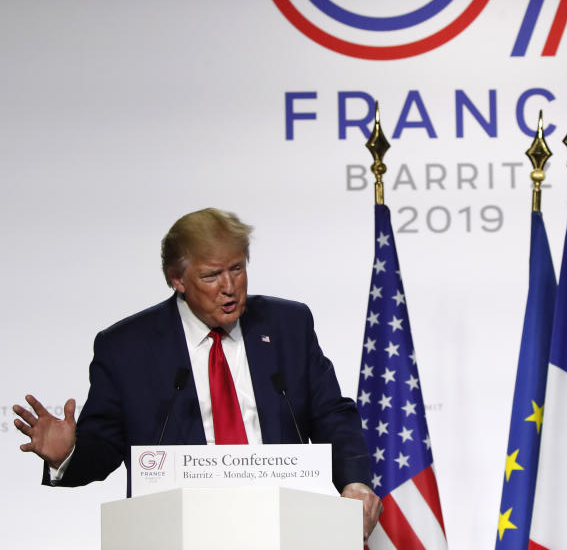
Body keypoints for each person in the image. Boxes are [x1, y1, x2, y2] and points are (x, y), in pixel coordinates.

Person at [14, 208, 382, 541]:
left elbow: (332, 414)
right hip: (178, 534)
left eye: (236, 269)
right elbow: (105, 446)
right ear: (177, 279)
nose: (229, 286)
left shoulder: (288, 325)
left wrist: (354, 482)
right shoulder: (126, 348)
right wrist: (68, 454)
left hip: (286, 525)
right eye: (211, 275)